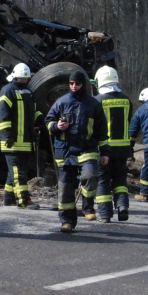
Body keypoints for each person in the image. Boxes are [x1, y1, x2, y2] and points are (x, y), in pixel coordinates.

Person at [45, 70, 108, 233]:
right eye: (71, 83)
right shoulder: (61, 102)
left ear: (83, 85)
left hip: (87, 148)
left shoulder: (93, 104)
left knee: (90, 176)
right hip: (65, 150)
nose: (74, 86)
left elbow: (102, 130)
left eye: (77, 84)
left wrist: (105, 152)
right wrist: (56, 127)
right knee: (65, 189)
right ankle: (67, 222)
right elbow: (48, 121)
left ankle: (88, 200)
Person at [0, 62, 43, 209]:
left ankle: (8, 198)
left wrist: (41, 118)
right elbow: (2, 117)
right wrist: (7, 135)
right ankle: (24, 201)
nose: (23, 82)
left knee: (14, 172)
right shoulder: (7, 91)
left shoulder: (28, 92)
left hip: (26, 141)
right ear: (14, 77)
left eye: (25, 79)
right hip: (12, 142)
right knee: (19, 172)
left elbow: (33, 111)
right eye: (21, 79)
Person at [95, 66, 132, 222]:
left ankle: (105, 214)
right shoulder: (126, 100)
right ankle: (122, 206)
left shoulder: (97, 101)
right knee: (120, 179)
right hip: (123, 148)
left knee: (103, 180)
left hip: (105, 148)